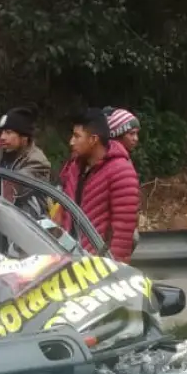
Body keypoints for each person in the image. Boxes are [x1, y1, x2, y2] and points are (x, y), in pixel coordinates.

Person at [58, 108, 140, 263]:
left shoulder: (121, 171)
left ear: (93, 139)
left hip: (98, 265)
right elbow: (64, 213)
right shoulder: (75, 167)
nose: (71, 142)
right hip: (69, 258)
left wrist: (114, 271)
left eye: (77, 136)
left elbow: (122, 233)